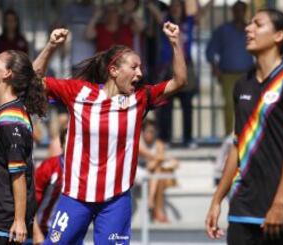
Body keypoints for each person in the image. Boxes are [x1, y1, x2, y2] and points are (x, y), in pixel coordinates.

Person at [33, 21, 188, 244]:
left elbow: (180, 81)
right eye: (134, 67)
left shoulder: (140, 98)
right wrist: (50, 47)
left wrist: (175, 43)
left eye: (140, 67)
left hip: (116, 200)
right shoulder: (78, 92)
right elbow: (34, 81)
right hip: (76, 197)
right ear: (114, 70)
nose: (140, 73)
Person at [205, 8, 283, 245]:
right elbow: (237, 146)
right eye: (249, 24)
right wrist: (217, 200)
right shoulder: (243, 85)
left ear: (278, 36)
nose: (248, 29)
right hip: (243, 209)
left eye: (257, 24)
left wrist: (280, 204)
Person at [0, 50, 48, 244]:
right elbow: (32, 73)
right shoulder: (12, 109)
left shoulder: (11, 120)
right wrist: (50, 46)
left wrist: (19, 221)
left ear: (7, 74)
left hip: (3, 226)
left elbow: (18, 175)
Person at [147, 0, 212, 147]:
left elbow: (201, 13)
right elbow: (154, 11)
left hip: (185, 65)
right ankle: (165, 138)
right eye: (174, 6)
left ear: (182, 8)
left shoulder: (188, 21)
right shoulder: (165, 21)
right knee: (166, 106)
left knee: (187, 104)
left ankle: (187, 138)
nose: (176, 9)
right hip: (167, 67)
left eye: (179, 6)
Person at [205, 0, 254, 136]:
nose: (238, 13)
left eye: (241, 10)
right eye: (236, 10)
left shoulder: (250, 30)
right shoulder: (223, 30)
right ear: (232, 12)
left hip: (248, 75)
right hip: (227, 75)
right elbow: (210, 51)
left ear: (245, 12)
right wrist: (215, 67)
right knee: (229, 106)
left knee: (248, 105)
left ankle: (246, 134)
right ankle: (229, 137)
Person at [137, 119, 179, 223]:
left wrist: (156, 162)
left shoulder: (158, 143)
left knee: (158, 171)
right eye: (148, 131)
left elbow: (155, 162)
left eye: (153, 131)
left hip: (152, 172)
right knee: (159, 171)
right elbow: (151, 155)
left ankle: (152, 202)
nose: (151, 134)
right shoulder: (138, 142)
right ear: (142, 132)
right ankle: (158, 211)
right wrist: (164, 159)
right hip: (137, 171)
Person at [32, 129, 66, 244]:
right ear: (62, 145)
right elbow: (29, 202)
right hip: (44, 231)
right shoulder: (49, 167)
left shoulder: (84, 171)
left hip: (70, 232)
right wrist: (36, 233)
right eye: (69, 143)